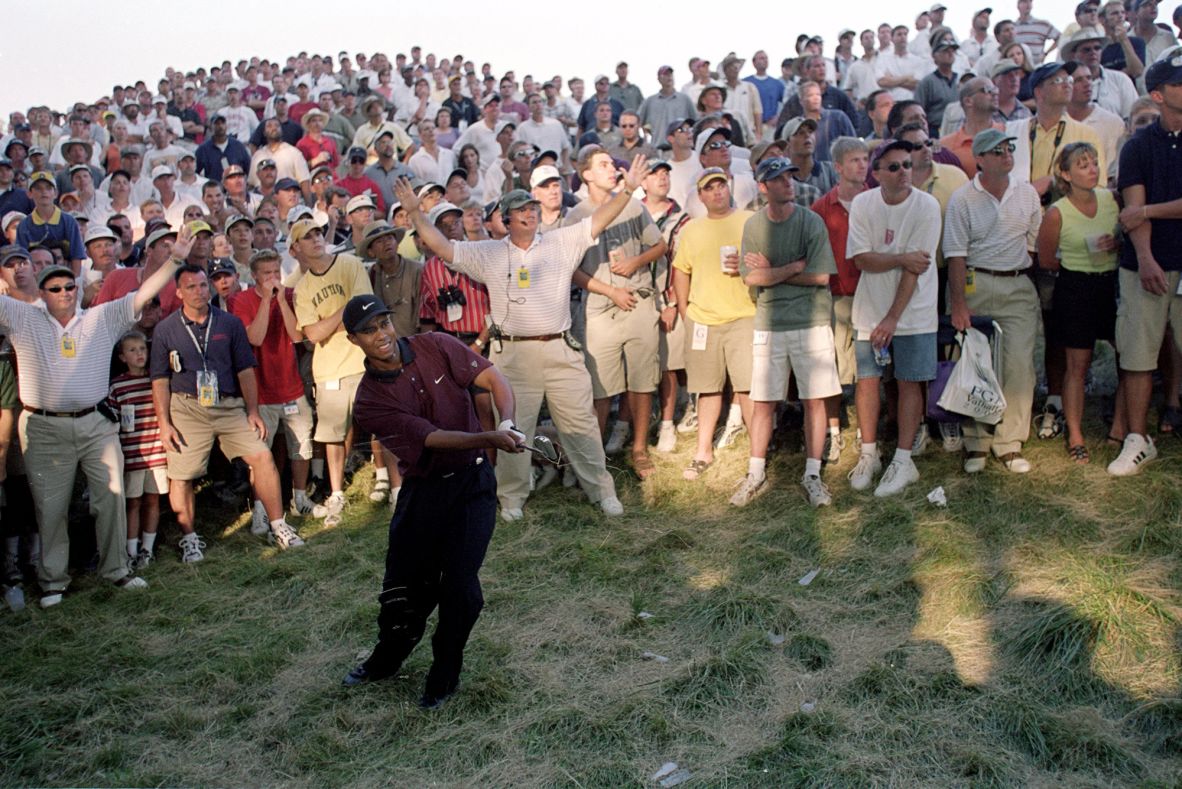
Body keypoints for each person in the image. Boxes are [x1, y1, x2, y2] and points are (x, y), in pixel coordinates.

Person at [393, 158, 650, 520]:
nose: (529, 214)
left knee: (582, 425)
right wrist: (416, 215)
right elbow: (443, 248)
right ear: (506, 220)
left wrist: (627, 189)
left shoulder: (562, 241)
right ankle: (511, 497)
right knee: (512, 429)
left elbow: (601, 218)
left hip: (560, 348)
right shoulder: (490, 252)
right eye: (521, 211)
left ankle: (601, 490)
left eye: (532, 208)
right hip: (513, 354)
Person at [340, 293, 523, 710]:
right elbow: (429, 438)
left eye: (383, 323)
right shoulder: (369, 401)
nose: (380, 334)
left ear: (392, 321)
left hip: (473, 485)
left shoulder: (436, 344)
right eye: (368, 331)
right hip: (424, 491)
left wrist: (507, 422)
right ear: (353, 340)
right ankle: (385, 661)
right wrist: (489, 437)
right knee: (403, 590)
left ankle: (444, 675)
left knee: (461, 590)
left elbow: (494, 379)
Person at [0, 226, 181, 607]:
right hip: (44, 428)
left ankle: (116, 569)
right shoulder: (21, 317)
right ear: (42, 293)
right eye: (55, 288)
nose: (64, 292)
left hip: (98, 425)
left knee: (112, 498)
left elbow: (144, 293)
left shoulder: (101, 318)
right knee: (50, 508)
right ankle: (53, 582)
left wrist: (176, 259)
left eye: (69, 286)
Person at [152, 258, 304, 562]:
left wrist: (252, 410)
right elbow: (160, 379)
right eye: (190, 287)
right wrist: (164, 422)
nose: (198, 292)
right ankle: (190, 538)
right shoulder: (165, 329)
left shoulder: (228, 322)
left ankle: (278, 524)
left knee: (262, 456)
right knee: (181, 475)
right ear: (179, 293)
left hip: (229, 404)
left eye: (202, 285)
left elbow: (246, 369)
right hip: (187, 406)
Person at [735, 157, 840, 508]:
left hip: (811, 320)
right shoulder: (753, 226)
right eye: (778, 179)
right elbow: (752, 277)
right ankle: (755, 471)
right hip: (770, 321)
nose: (788, 184)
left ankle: (812, 472)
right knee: (763, 400)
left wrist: (777, 271)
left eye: (789, 177)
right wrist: (795, 266)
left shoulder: (811, 221)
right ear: (763, 187)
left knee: (815, 398)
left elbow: (821, 276)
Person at [845, 140, 941, 498]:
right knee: (868, 380)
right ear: (877, 174)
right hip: (870, 310)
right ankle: (868, 453)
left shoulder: (927, 205)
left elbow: (917, 270)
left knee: (909, 381)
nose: (904, 173)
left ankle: (903, 459)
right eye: (895, 167)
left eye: (907, 165)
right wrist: (901, 257)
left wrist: (893, 318)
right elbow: (861, 259)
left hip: (913, 313)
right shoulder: (864, 203)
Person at [564, 146, 667, 477]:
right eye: (603, 165)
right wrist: (610, 290)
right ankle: (593, 457)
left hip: (638, 301)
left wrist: (636, 262)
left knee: (642, 381)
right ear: (587, 174)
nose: (612, 169)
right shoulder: (577, 216)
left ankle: (638, 450)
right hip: (599, 308)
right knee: (600, 388)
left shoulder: (634, 206)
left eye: (612, 163)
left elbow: (660, 245)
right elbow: (570, 269)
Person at [945, 129, 1043, 474]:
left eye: (1008, 149)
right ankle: (977, 442)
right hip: (976, 283)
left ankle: (1009, 442)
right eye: (996, 151)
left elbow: (1033, 245)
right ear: (980, 160)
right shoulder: (962, 198)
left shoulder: (1027, 194)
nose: (1005, 155)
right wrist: (959, 305)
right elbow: (955, 255)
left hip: (1017, 284)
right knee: (975, 364)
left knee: (1018, 365)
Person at [1107, 57, 1182, 476]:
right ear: (1159, 94)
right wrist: (1148, 258)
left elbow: (1141, 210)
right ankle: (1138, 439)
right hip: (1144, 267)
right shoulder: (1136, 146)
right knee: (1137, 355)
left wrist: (1151, 210)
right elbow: (1132, 213)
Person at [671, 168, 756, 481]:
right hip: (703, 317)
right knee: (706, 390)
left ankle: (756, 456)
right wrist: (684, 310)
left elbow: (766, 260)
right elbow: (681, 269)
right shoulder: (692, 229)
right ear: (701, 196)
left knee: (748, 388)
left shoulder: (749, 220)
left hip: (744, 315)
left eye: (721, 185)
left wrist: (746, 266)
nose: (717, 192)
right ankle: (702, 451)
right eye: (710, 188)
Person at [1036, 142, 1118, 464]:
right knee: (1077, 366)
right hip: (1075, 287)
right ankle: (1075, 434)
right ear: (1066, 174)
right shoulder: (1058, 213)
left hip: (1109, 284)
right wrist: (1076, 261)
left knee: (1127, 354)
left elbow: (1124, 241)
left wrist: (1116, 246)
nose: (1093, 169)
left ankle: (1122, 424)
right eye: (1083, 165)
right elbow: (1046, 259)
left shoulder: (1111, 200)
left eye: (1094, 162)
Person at [290, 218, 373, 524]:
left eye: (317, 233)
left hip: (363, 358)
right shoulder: (302, 288)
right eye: (307, 237)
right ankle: (337, 491)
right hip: (329, 369)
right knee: (333, 435)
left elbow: (364, 308)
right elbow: (311, 335)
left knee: (383, 424)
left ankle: (393, 483)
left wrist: (329, 321)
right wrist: (344, 312)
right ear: (296, 248)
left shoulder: (350, 264)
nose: (315, 239)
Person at [229, 249, 319, 519]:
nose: (272, 278)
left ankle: (300, 498)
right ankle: (260, 509)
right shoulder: (241, 300)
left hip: (291, 386)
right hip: (261, 392)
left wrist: (279, 301)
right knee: (261, 455)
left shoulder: (288, 296)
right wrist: (266, 301)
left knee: (301, 445)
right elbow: (254, 338)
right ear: (254, 276)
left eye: (275, 272)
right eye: (266, 274)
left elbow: (296, 336)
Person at [108, 331, 167, 569]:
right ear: (122, 357)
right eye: (132, 350)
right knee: (133, 502)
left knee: (153, 499)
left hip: (157, 452)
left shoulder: (157, 380)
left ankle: (147, 549)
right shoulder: (117, 385)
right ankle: (130, 551)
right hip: (132, 453)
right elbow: (112, 419)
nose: (139, 354)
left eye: (142, 349)